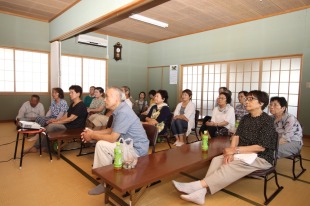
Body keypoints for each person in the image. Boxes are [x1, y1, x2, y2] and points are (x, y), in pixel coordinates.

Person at [172, 90, 277, 205]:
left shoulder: (268, 121)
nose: (246, 102)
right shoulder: (246, 118)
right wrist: (230, 152)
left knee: (232, 165)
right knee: (218, 159)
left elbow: (261, 147)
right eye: (246, 99)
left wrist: (234, 150)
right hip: (243, 153)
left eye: (251, 99)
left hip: (261, 157)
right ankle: (201, 193)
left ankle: (196, 186)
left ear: (261, 103)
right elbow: (236, 136)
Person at [81, 87, 149, 195]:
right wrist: (92, 132)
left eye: (107, 96)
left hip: (136, 151)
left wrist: (92, 135)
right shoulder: (119, 109)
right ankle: (105, 177)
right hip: (127, 145)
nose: (104, 99)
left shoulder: (123, 112)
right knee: (102, 143)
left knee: (102, 145)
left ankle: (105, 182)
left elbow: (113, 137)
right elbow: (111, 130)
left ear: (116, 98)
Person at [27, 85, 88, 153]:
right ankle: (40, 146)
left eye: (72, 92)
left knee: (50, 126)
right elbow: (66, 116)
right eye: (69, 92)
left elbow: (71, 119)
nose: (70, 94)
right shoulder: (73, 104)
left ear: (78, 94)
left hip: (75, 127)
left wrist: (56, 122)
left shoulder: (81, 105)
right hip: (68, 125)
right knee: (49, 126)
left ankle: (38, 147)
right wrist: (56, 120)